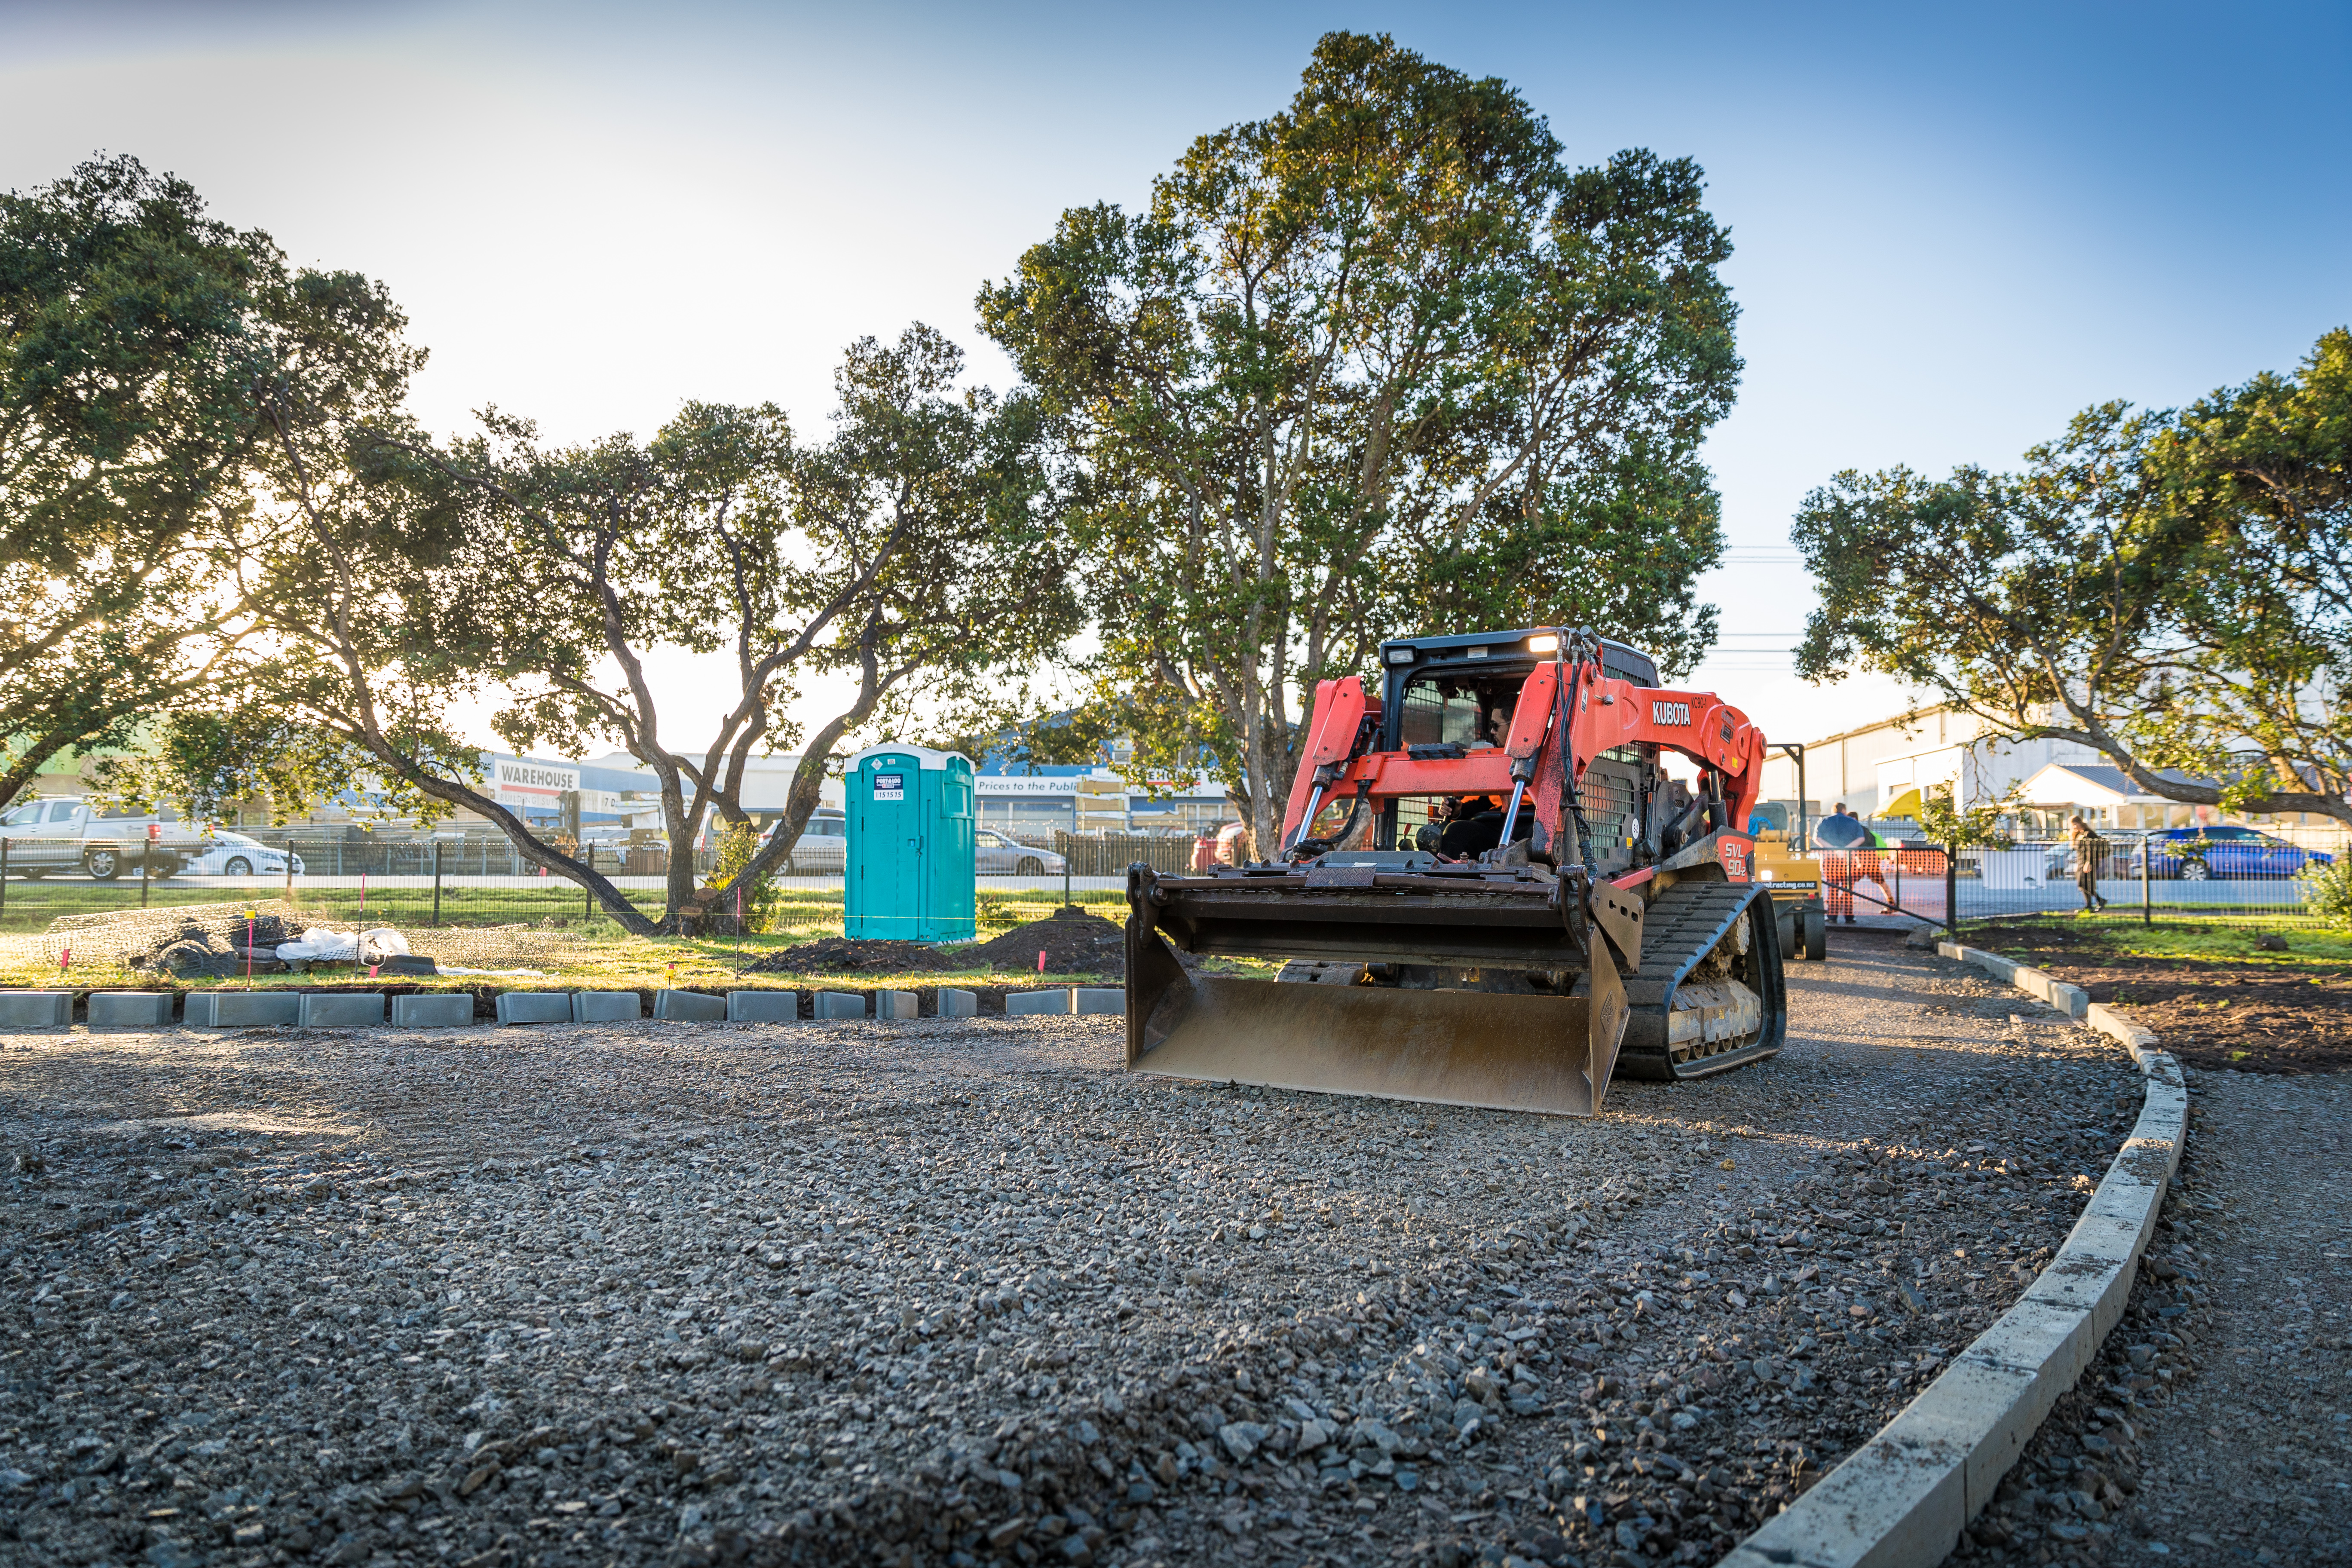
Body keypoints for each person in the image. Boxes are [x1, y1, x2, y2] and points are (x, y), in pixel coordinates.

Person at [2069, 813, 2110, 913]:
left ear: (2080, 823)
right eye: (2072, 825)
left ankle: (2100, 900)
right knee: (2082, 884)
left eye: (2075, 825)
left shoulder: (2089, 834)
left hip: (2089, 863)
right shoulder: (2079, 834)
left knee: (2085, 884)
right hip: (2081, 863)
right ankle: (2088, 906)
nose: (2074, 827)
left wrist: (2089, 863)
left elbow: (2092, 850)